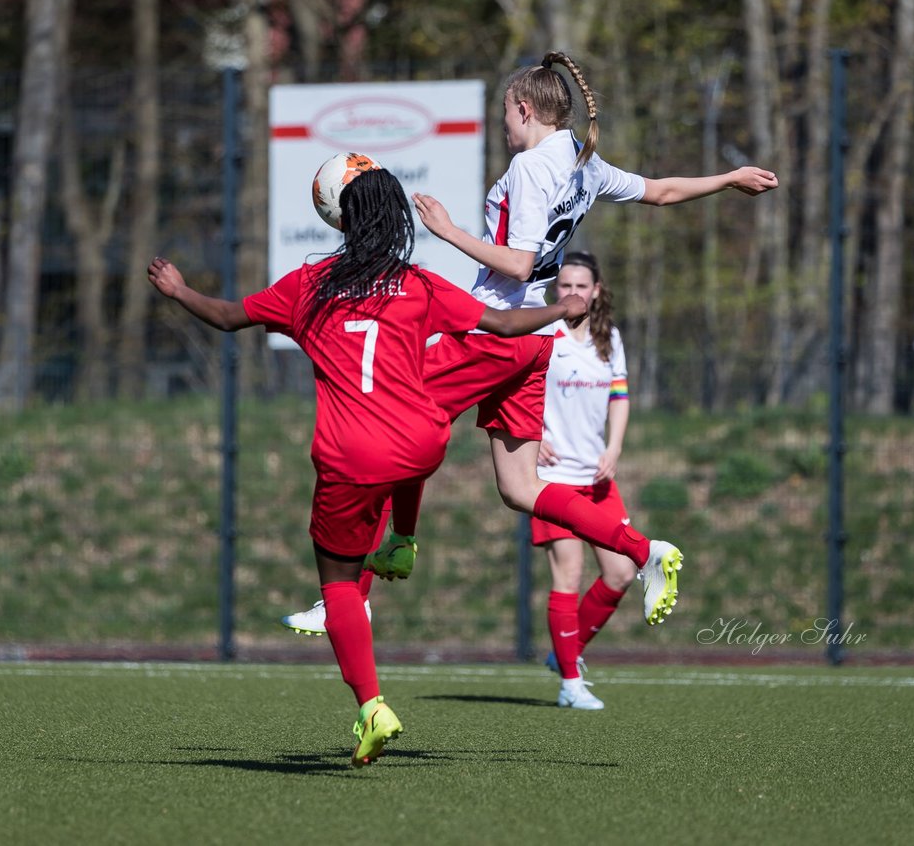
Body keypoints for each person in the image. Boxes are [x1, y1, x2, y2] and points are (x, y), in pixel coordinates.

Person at [282, 51, 777, 636]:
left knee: (392, 419)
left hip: (501, 330)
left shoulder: (530, 169)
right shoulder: (582, 162)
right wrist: (728, 179)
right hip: (540, 342)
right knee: (520, 488)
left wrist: (448, 232)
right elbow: (662, 192)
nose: (503, 129)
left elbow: (518, 265)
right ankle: (644, 552)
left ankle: (356, 590)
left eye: (505, 117)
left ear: (523, 109)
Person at [148, 163, 586, 767]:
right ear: (398, 219)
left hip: (351, 454)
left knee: (336, 583)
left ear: (342, 218)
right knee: (403, 464)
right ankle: (403, 539)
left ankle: (372, 704)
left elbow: (227, 317)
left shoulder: (309, 286)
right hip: (420, 444)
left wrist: (179, 291)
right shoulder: (418, 284)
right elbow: (507, 324)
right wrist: (560, 312)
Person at [532, 251, 635, 710]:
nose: (572, 293)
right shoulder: (542, 331)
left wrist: (613, 448)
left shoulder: (608, 337)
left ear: (596, 291)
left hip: (595, 479)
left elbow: (619, 397)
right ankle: (570, 684)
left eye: (581, 286)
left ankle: (566, 654)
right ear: (557, 291)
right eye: (565, 285)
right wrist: (531, 438)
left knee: (621, 571)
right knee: (568, 575)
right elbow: (507, 389)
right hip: (551, 479)